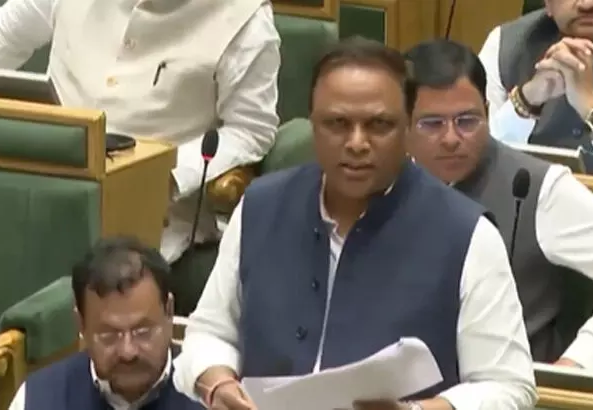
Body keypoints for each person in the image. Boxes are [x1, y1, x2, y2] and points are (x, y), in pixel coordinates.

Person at [173, 37, 537, 410]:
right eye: (338, 124)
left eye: (379, 125)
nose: (357, 143)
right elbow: (209, 333)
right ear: (312, 125)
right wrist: (217, 383)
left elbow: (509, 387)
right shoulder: (260, 206)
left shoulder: (467, 234)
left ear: (408, 128)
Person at [405, 38, 593, 372]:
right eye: (432, 124)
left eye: (467, 121)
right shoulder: (379, 181)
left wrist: (581, 360)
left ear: (487, 112)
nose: (452, 138)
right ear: (402, 124)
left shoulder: (535, 185)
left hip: (510, 385)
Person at [0, 0, 281, 265]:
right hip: (32, 191)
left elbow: (250, 129)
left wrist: (166, 176)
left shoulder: (246, 19)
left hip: (148, 225)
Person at [8, 237, 203, 409]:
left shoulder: (211, 396)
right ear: (81, 324)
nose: (128, 352)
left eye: (142, 331)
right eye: (108, 335)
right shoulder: (36, 399)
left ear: (169, 312)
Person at [478, 0, 593, 180]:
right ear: (548, 3)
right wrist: (526, 101)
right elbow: (475, 166)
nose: (587, 4)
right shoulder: (505, 45)